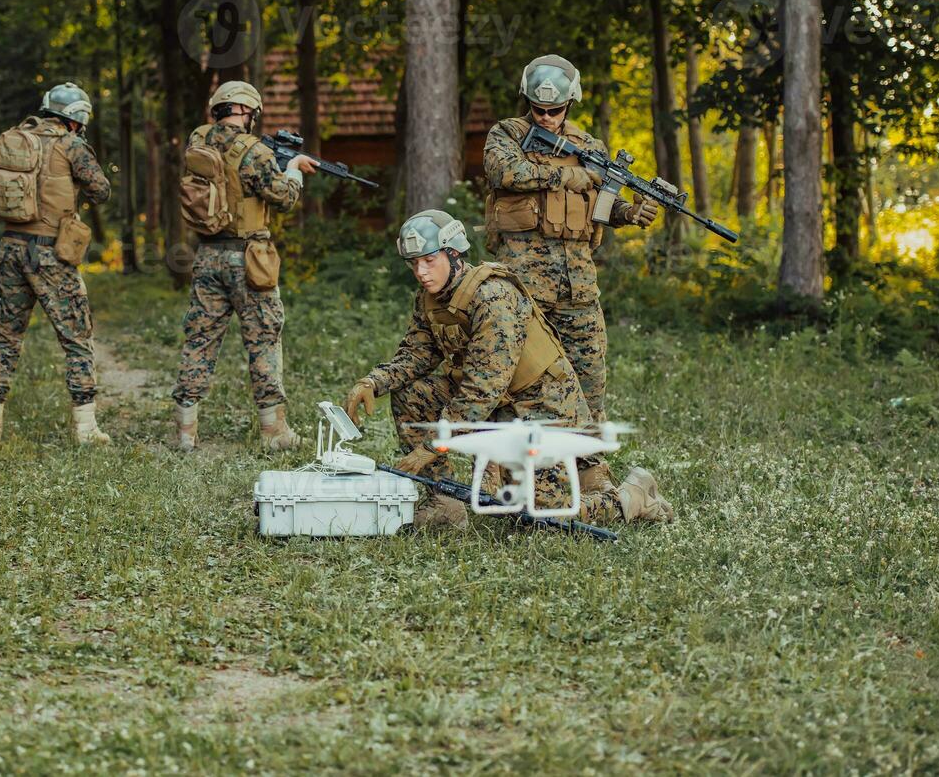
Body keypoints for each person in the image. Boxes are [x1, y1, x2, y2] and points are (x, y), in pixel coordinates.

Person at [342, 210, 672, 528]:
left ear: (455, 254)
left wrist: (433, 446)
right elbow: (416, 354)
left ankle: (631, 497)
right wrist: (373, 382)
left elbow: (484, 387)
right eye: (414, 263)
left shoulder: (493, 295)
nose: (421, 271)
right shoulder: (430, 299)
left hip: (541, 407)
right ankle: (445, 503)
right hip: (498, 409)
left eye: (430, 260)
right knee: (412, 393)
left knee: (539, 517)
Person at [482, 54, 660, 422]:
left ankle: (588, 471)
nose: (546, 117)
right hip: (523, 285)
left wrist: (630, 213)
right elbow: (507, 173)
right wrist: (571, 177)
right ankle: (512, 470)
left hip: (577, 287)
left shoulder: (590, 147)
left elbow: (602, 207)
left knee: (589, 382)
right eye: (539, 109)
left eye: (555, 110)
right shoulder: (507, 134)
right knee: (514, 380)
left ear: (570, 103)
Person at [170, 80, 318, 451]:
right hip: (250, 258)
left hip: (207, 256)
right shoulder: (253, 151)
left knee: (199, 339)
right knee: (264, 338)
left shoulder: (198, 141)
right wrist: (295, 170)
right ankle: (274, 432)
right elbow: (282, 197)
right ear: (247, 111)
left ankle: (185, 433)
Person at [0, 83, 112, 445]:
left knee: (5, 334)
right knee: (76, 335)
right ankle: (86, 428)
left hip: (10, 248)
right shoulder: (72, 145)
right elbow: (101, 190)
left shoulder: (18, 138)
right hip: (51, 252)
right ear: (77, 119)